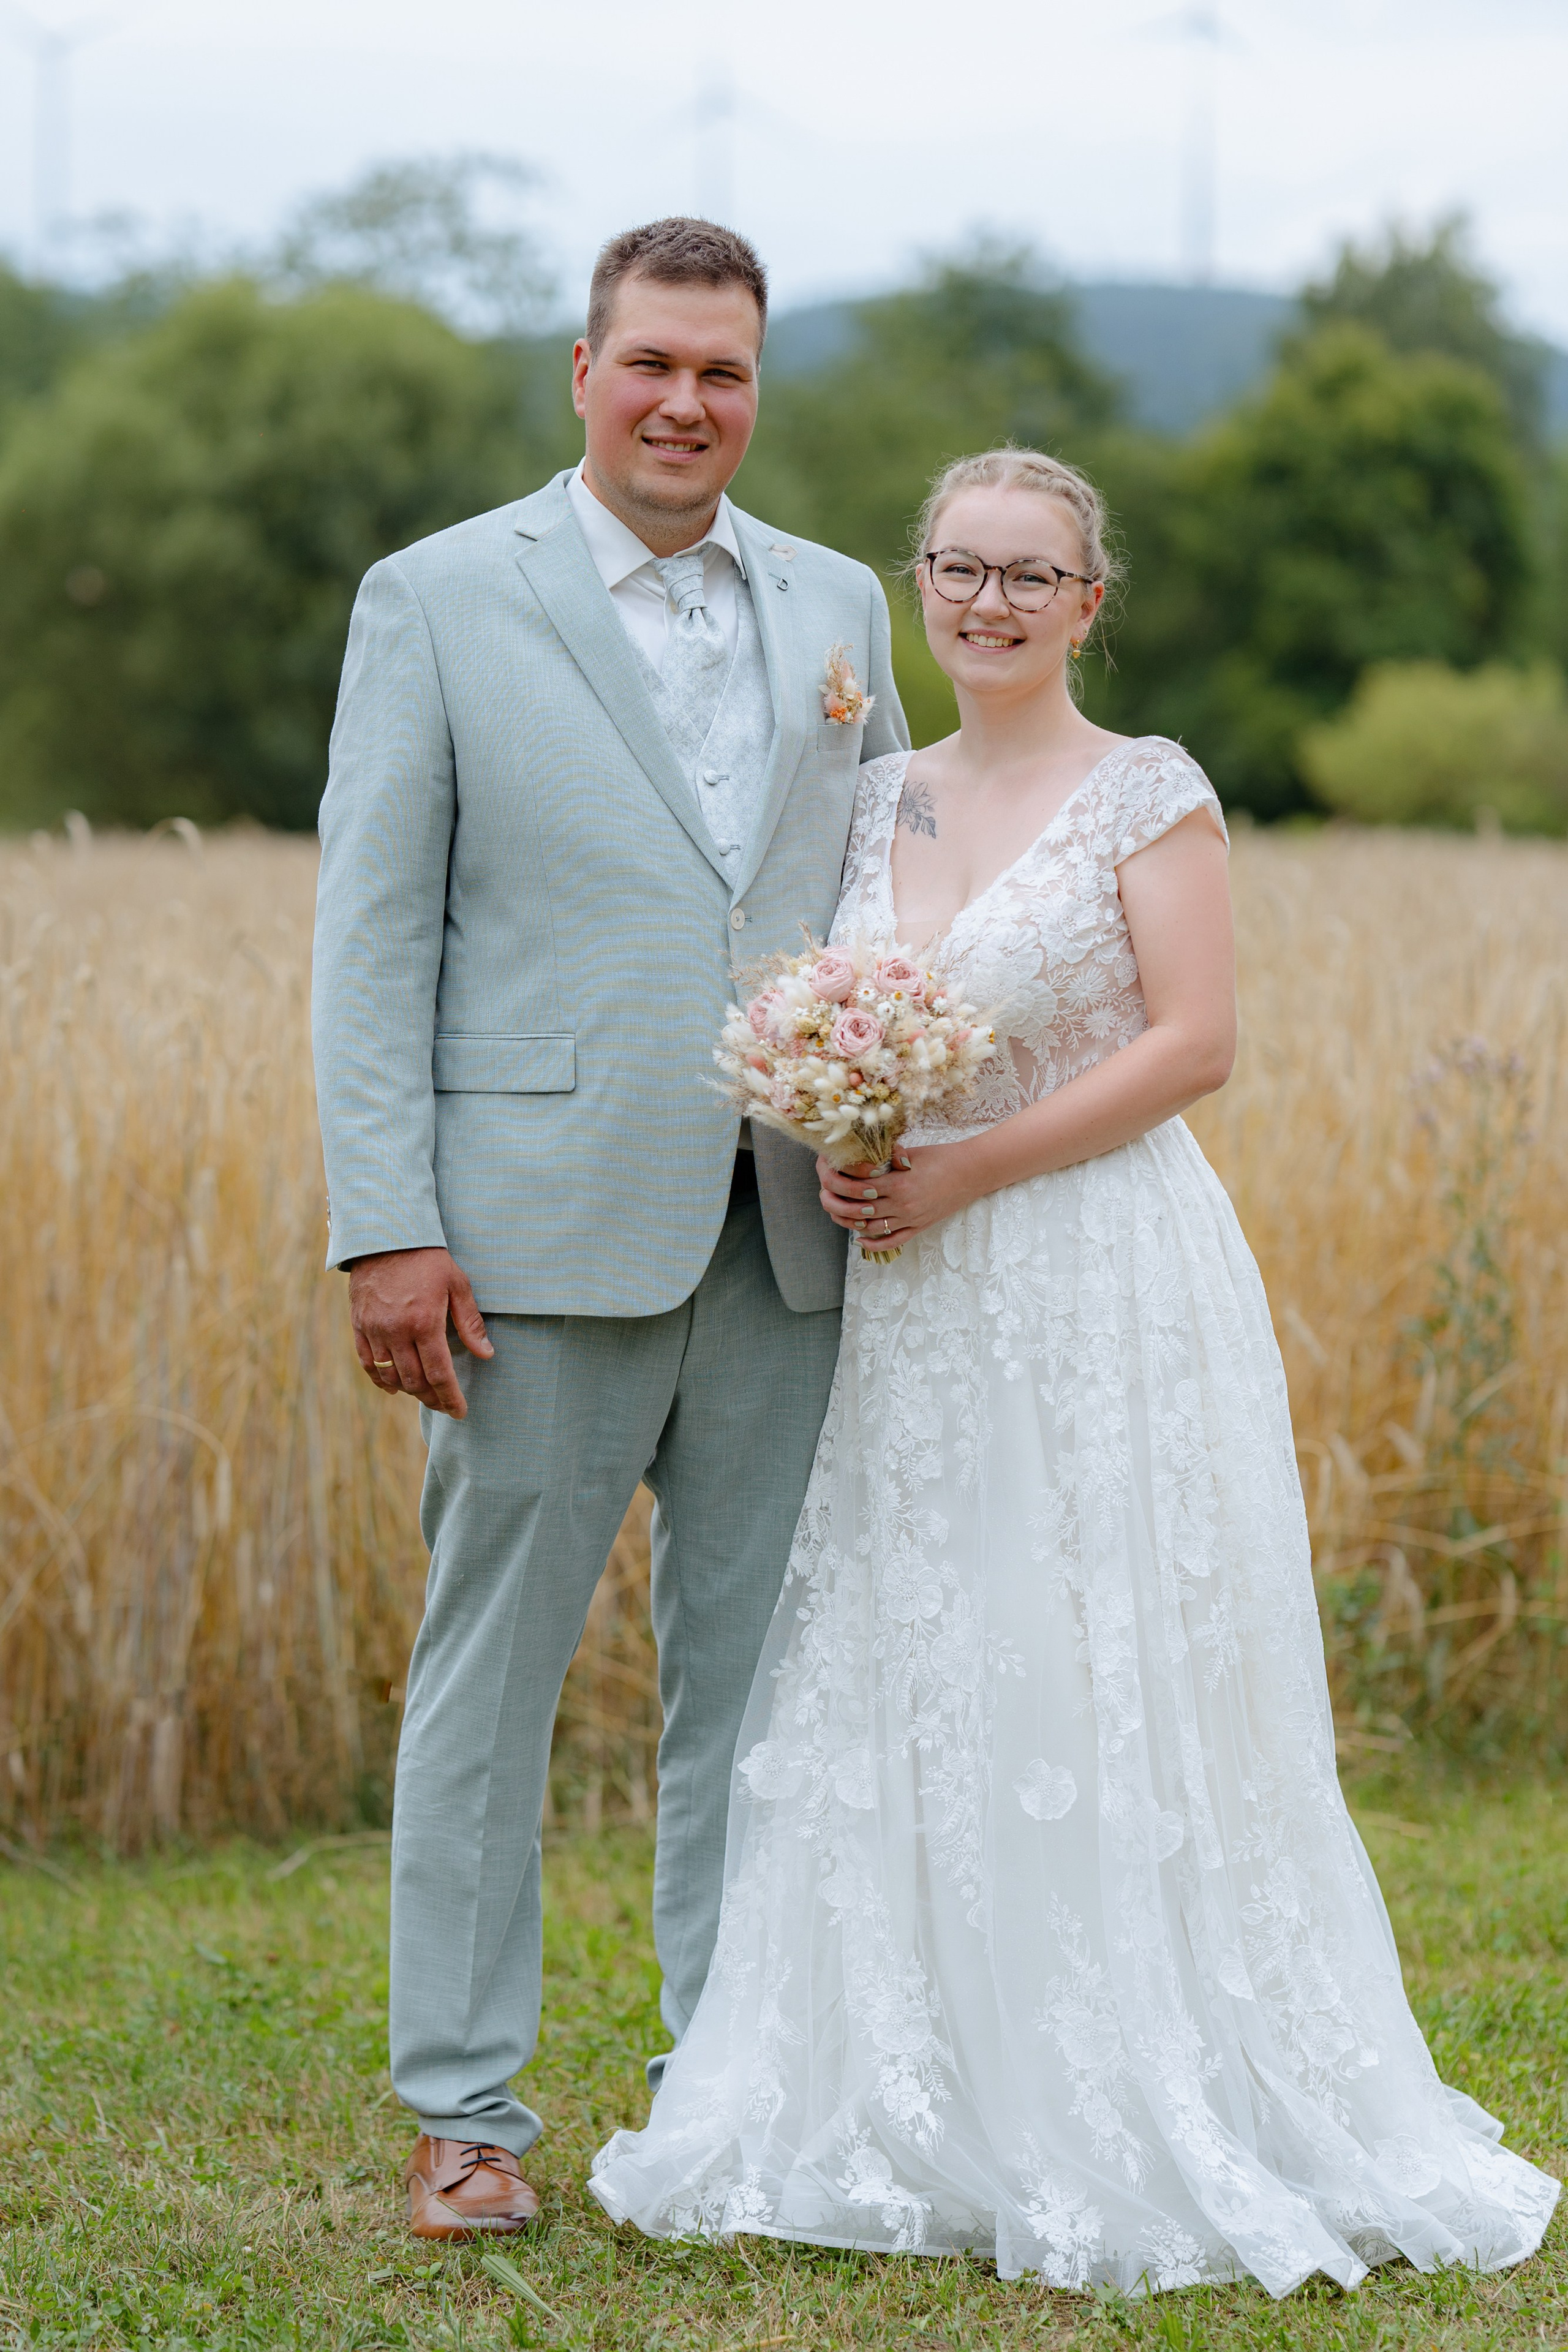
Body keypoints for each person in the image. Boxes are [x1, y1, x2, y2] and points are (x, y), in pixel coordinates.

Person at [588, 448, 1561, 2296]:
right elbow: (829, 1013)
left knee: (1099, 1638)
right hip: (914, 1300)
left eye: (1035, 576)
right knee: (928, 1642)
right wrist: (849, 1131)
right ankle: (915, 2078)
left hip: (1100, 1269)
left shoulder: (1149, 796)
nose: (991, 603)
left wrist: (958, 1163)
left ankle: (1131, 2077)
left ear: (1091, 603)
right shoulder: (875, 799)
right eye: (960, 568)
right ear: (922, 584)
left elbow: (1197, 1044)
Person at [311, 217, 908, 2241]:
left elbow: (882, 899)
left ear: (759, 389)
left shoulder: (838, 602)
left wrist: (888, 1105)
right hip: (528, 1237)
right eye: (651, 363)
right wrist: (387, 1224)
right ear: (584, 371)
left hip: (786, 1237)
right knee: (492, 1683)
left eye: (724, 373)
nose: (685, 403)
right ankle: (467, 2111)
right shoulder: (440, 596)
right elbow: (374, 934)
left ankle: (720, 2094)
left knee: (760, 1691)